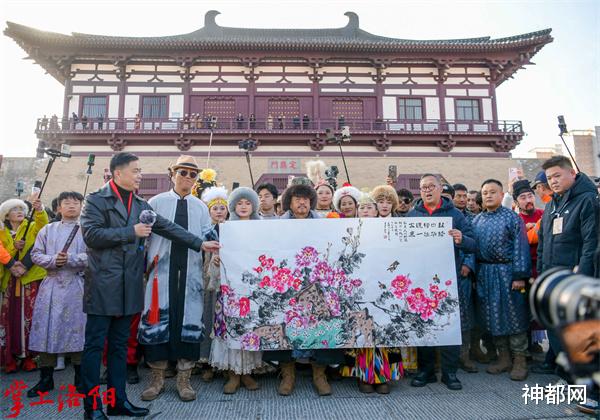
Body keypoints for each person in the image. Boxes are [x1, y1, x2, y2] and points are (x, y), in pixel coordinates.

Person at [80, 152, 218, 419]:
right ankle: (92, 407)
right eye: (135, 171)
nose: (140, 175)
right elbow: (92, 235)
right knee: (95, 348)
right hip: (104, 284)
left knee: (120, 346)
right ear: (118, 173)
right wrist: (131, 232)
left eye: (140, 171)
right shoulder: (96, 200)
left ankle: (118, 402)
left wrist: (200, 244)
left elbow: (168, 228)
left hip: (130, 284)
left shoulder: (141, 204)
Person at [139, 155, 217, 403]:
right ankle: (157, 378)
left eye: (193, 174)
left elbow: (208, 235)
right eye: (182, 172)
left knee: (189, 320)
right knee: (157, 319)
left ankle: (184, 379)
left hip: (191, 271)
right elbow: (144, 237)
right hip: (160, 271)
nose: (188, 177)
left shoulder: (200, 207)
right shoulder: (156, 202)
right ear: (172, 174)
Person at [266, 181, 344, 396]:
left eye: (306, 199)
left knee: (321, 322)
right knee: (283, 322)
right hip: (287, 283)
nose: (302, 202)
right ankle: (287, 374)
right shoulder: (276, 224)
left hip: (316, 283)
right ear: (289, 202)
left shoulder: (323, 224)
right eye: (297, 199)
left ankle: (319, 374)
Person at [408, 174, 476, 391]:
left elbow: (474, 244)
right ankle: (426, 371)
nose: (427, 190)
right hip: (420, 281)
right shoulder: (412, 215)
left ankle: (449, 372)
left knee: (449, 326)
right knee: (423, 325)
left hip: (447, 281)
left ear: (440, 189)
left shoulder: (455, 215)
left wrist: (461, 239)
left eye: (431, 186)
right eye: (423, 187)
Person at [535, 156, 599, 385]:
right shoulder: (552, 204)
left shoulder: (587, 200)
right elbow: (543, 242)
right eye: (549, 178)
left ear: (572, 173)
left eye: (557, 175)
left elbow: (591, 243)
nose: (553, 181)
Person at [27, 191, 87, 397]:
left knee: (78, 330)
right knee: (47, 329)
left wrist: (71, 259)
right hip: (51, 286)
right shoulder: (47, 229)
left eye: (76, 202)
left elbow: (94, 256)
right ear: (58, 208)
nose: (72, 206)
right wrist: (53, 260)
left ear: (81, 207)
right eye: (67, 202)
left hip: (76, 285)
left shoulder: (87, 230)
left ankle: (80, 377)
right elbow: (35, 254)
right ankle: (46, 378)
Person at [472, 179, 532, 381]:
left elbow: (520, 247)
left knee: (514, 315)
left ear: (501, 194)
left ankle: (520, 360)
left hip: (508, 273)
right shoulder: (477, 220)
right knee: (493, 316)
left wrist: (520, 275)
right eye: (485, 192)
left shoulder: (512, 218)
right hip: (485, 273)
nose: (488, 195)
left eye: (492, 192)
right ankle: (503, 358)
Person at [342, 194, 402, 393]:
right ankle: (364, 375)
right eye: (362, 207)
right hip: (358, 289)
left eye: (370, 207)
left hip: (383, 286)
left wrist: (388, 274)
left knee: (384, 330)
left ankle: (383, 375)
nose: (366, 211)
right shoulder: (349, 230)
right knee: (362, 331)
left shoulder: (389, 229)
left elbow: (398, 256)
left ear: (377, 211)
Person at [209, 187, 263, 394]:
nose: (243, 206)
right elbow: (217, 253)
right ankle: (232, 373)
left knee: (250, 329)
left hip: (252, 289)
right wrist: (215, 260)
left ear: (254, 206)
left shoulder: (262, 228)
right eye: (239, 203)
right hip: (230, 289)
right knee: (230, 328)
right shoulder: (225, 228)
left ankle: (247, 372)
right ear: (233, 206)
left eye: (247, 203)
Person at [0, 197, 48, 374]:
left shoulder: (31, 226)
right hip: (9, 280)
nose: (20, 211)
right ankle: (10, 359)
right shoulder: (2, 231)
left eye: (22, 208)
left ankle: (29, 357)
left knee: (30, 316)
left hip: (29, 279)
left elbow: (43, 226)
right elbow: (3, 252)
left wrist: (40, 210)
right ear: (6, 215)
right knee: (9, 318)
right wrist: (14, 248)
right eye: (15, 209)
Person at [197, 186, 229, 382]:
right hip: (209, 280)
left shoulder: (233, 229)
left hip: (228, 282)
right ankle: (207, 362)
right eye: (215, 208)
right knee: (208, 318)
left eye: (222, 208)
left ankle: (225, 362)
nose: (219, 211)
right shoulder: (205, 232)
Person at [451, 183, 478, 373]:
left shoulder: (471, 218)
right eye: (458, 196)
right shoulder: (448, 215)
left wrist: (468, 264)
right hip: (444, 273)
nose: (462, 199)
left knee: (466, 315)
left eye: (464, 196)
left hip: (464, 273)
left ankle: (466, 354)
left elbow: (474, 243)